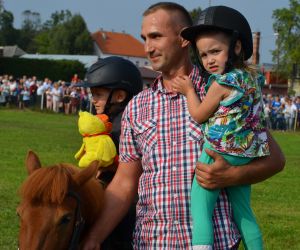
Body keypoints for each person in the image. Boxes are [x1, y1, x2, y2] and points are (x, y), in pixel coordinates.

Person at [82, 2, 285, 250]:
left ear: (183, 39)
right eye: (144, 38)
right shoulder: (137, 107)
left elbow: (275, 160)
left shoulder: (223, 90)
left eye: (156, 37)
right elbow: (125, 183)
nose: (147, 48)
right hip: (152, 241)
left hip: (218, 242)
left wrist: (231, 175)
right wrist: (94, 237)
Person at [171, 6, 268, 250]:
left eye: (215, 51)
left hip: (217, 151)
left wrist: (189, 91)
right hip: (245, 154)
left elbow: (199, 115)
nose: (209, 60)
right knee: (244, 213)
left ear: (236, 47)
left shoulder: (222, 83)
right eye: (203, 55)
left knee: (200, 206)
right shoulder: (252, 80)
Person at [76, 56, 143, 250]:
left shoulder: (120, 127)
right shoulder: (107, 124)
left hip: (123, 210)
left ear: (120, 96)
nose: (94, 100)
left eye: (98, 94)